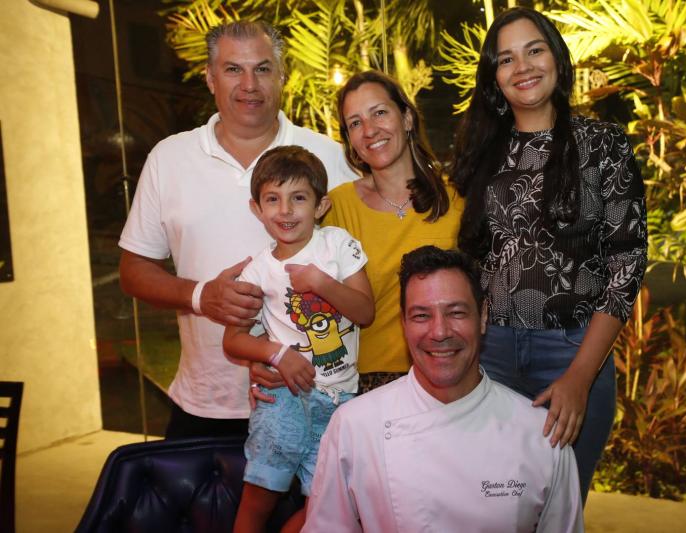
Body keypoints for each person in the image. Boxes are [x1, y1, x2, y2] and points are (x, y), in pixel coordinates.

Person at [118, 20, 358, 439]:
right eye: (233, 69)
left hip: (315, 403)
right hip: (204, 404)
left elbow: (361, 277)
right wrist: (201, 296)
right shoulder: (169, 158)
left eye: (262, 69)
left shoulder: (329, 157)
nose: (250, 84)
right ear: (211, 78)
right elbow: (133, 270)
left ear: (281, 76)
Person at [451, 7, 648, 503]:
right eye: (506, 59)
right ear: (494, 77)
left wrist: (580, 376)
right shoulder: (483, 151)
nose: (522, 67)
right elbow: (472, 253)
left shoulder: (602, 143)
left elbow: (627, 263)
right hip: (491, 354)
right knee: (494, 505)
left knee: (559, 507)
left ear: (557, 58)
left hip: (574, 350)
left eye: (534, 50)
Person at [302, 246, 584, 533]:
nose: (440, 332)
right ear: (404, 324)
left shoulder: (540, 435)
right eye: (421, 316)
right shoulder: (354, 425)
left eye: (456, 312)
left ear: (483, 316)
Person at [221, 146, 373, 533]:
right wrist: (277, 354)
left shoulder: (338, 244)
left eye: (299, 198)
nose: (285, 210)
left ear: (321, 206)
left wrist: (320, 281)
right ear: (256, 209)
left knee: (326, 506)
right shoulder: (257, 270)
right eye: (273, 199)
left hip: (340, 402)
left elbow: (365, 312)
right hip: (284, 398)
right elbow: (233, 341)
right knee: (259, 495)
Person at [323, 71, 464, 392]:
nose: (370, 130)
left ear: (407, 118)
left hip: (448, 378)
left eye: (379, 113)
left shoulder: (456, 201)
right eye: (355, 123)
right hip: (365, 385)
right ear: (349, 140)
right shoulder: (336, 208)